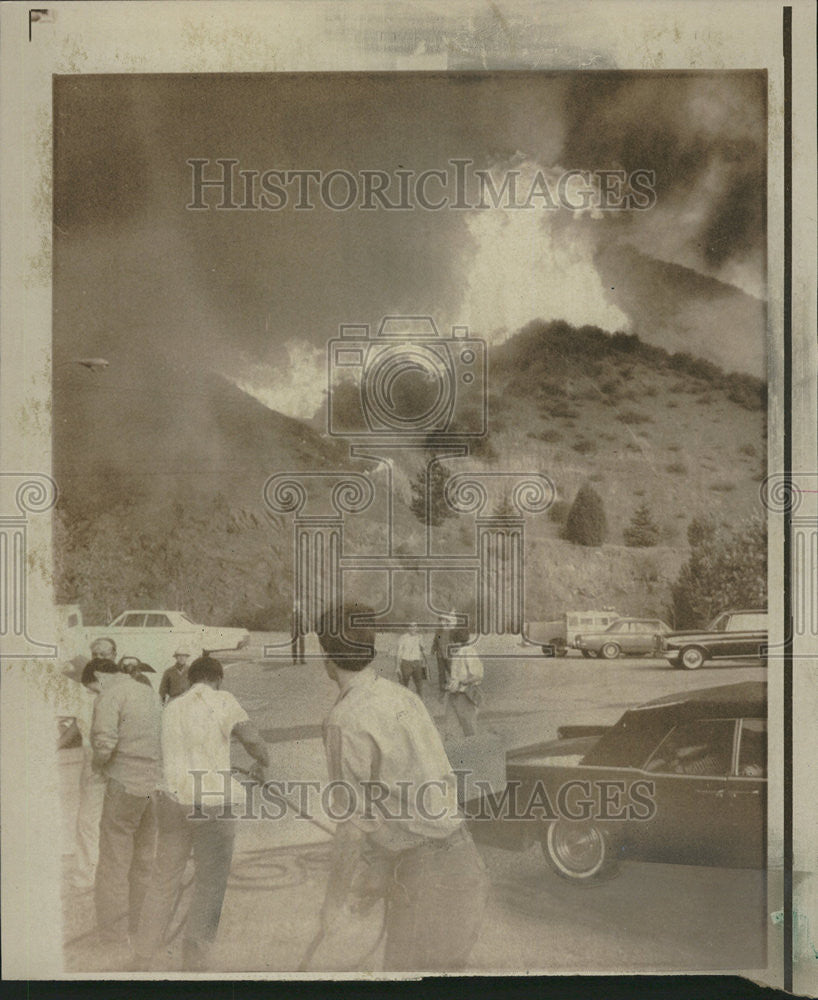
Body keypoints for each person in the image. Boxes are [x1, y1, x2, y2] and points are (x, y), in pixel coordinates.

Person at [316, 605, 488, 972]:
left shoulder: (343, 721)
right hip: (464, 862)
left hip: (424, 879)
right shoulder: (402, 697)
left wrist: (333, 905)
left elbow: (352, 827)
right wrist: (381, 870)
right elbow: (421, 789)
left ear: (327, 658)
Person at [132, 655, 270, 972]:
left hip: (170, 800)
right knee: (210, 882)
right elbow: (253, 741)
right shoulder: (222, 699)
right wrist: (262, 764)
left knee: (163, 880)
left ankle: (142, 954)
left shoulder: (171, 707)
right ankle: (194, 959)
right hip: (210, 803)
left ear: (190, 679)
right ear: (218, 679)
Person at [91, 657, 163, 945]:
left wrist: (98, 767)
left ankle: (112, 934)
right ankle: (139, 927)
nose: (94, 693)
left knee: (113, 862)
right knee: (144, 861)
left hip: (123, 783)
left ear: (98, 675)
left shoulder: (110, 694)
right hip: (154, 785)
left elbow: (104, 742)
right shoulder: (148, 692)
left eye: (92, 688)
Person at [443, 632, 484, 739]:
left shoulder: (468, 651)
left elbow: (477, 675)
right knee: (450, 730)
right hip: (454, 694)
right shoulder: (459, 652)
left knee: (469, 729)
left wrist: (460, 682)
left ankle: (473, 752)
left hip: (465, 694)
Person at [394, 622, 427, 697]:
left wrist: (421, 642)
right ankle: (403, 703)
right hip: (406, 663)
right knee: (404, 685)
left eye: (415, 626)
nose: (413, 628)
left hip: (417, 663)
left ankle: (419, 703)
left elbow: (423, 650)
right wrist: (397, 666)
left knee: (419, 685)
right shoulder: (403, 637)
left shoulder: (420, 637)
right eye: (411, 626)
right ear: (408, 627)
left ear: (417, 628)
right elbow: (399, 652)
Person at [430, 614, 453, 695]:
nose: (442, 622)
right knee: (441, 671)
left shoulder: (451, 631)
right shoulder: (438, 631)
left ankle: (456, 684)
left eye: (443, 620)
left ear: (447, 621)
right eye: (441, 620)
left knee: (451, 670)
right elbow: (435, 641)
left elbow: (454, 643)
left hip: (448, 655)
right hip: (439, 655)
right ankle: (442, 687)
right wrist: (433, 650)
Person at [291, 597, 306, 665]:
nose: (297, 606)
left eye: (298, 605)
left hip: (301, 630)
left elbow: (304, 622)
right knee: (294, 644)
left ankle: (302, 659)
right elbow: (291, 622)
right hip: (294, 630)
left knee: (302, 645)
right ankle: (294, 659)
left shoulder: (303, 612)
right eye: (296, 605)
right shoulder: (293, 612)